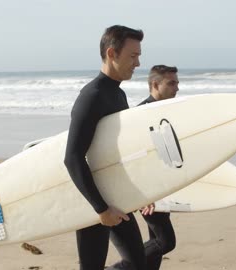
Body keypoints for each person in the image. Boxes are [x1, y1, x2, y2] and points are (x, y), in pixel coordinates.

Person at [64, 25, 145, 270]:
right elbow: (73, 157)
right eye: (133, 56)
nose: (138, 63)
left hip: (116, 198)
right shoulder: (92, 96)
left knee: (138, 262)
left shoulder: (117, 95)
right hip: (94, 202)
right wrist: (100, 209)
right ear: (112, 53)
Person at [109, 65, 179, 270]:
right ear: (155, 85)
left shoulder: (165, 111)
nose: (177, 88)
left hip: (159, 187)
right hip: (148, 190)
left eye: (177, 82)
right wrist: (145, 196)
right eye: (171, 83)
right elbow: (134, 158)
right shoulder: (142, 114)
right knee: (165, 241)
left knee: (156, 241)